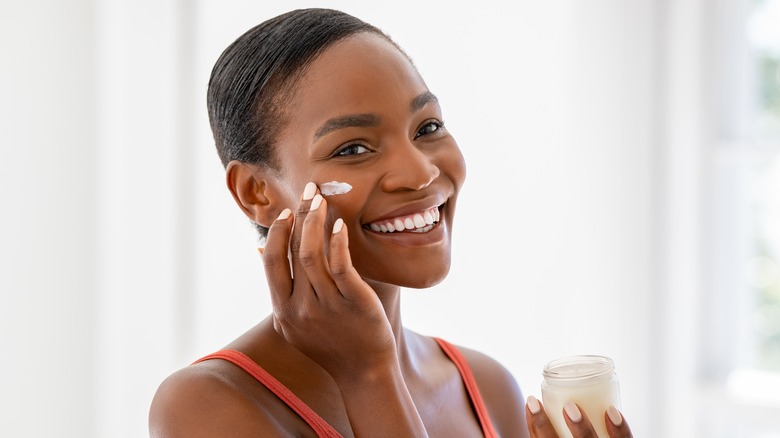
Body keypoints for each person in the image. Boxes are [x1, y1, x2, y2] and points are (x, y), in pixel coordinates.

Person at [149, 8, 634, 437]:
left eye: (427, 128)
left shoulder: (486, 386)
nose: (421, 172)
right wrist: (368, 376)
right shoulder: (207, 406)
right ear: (257, 192)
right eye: (353, 148)